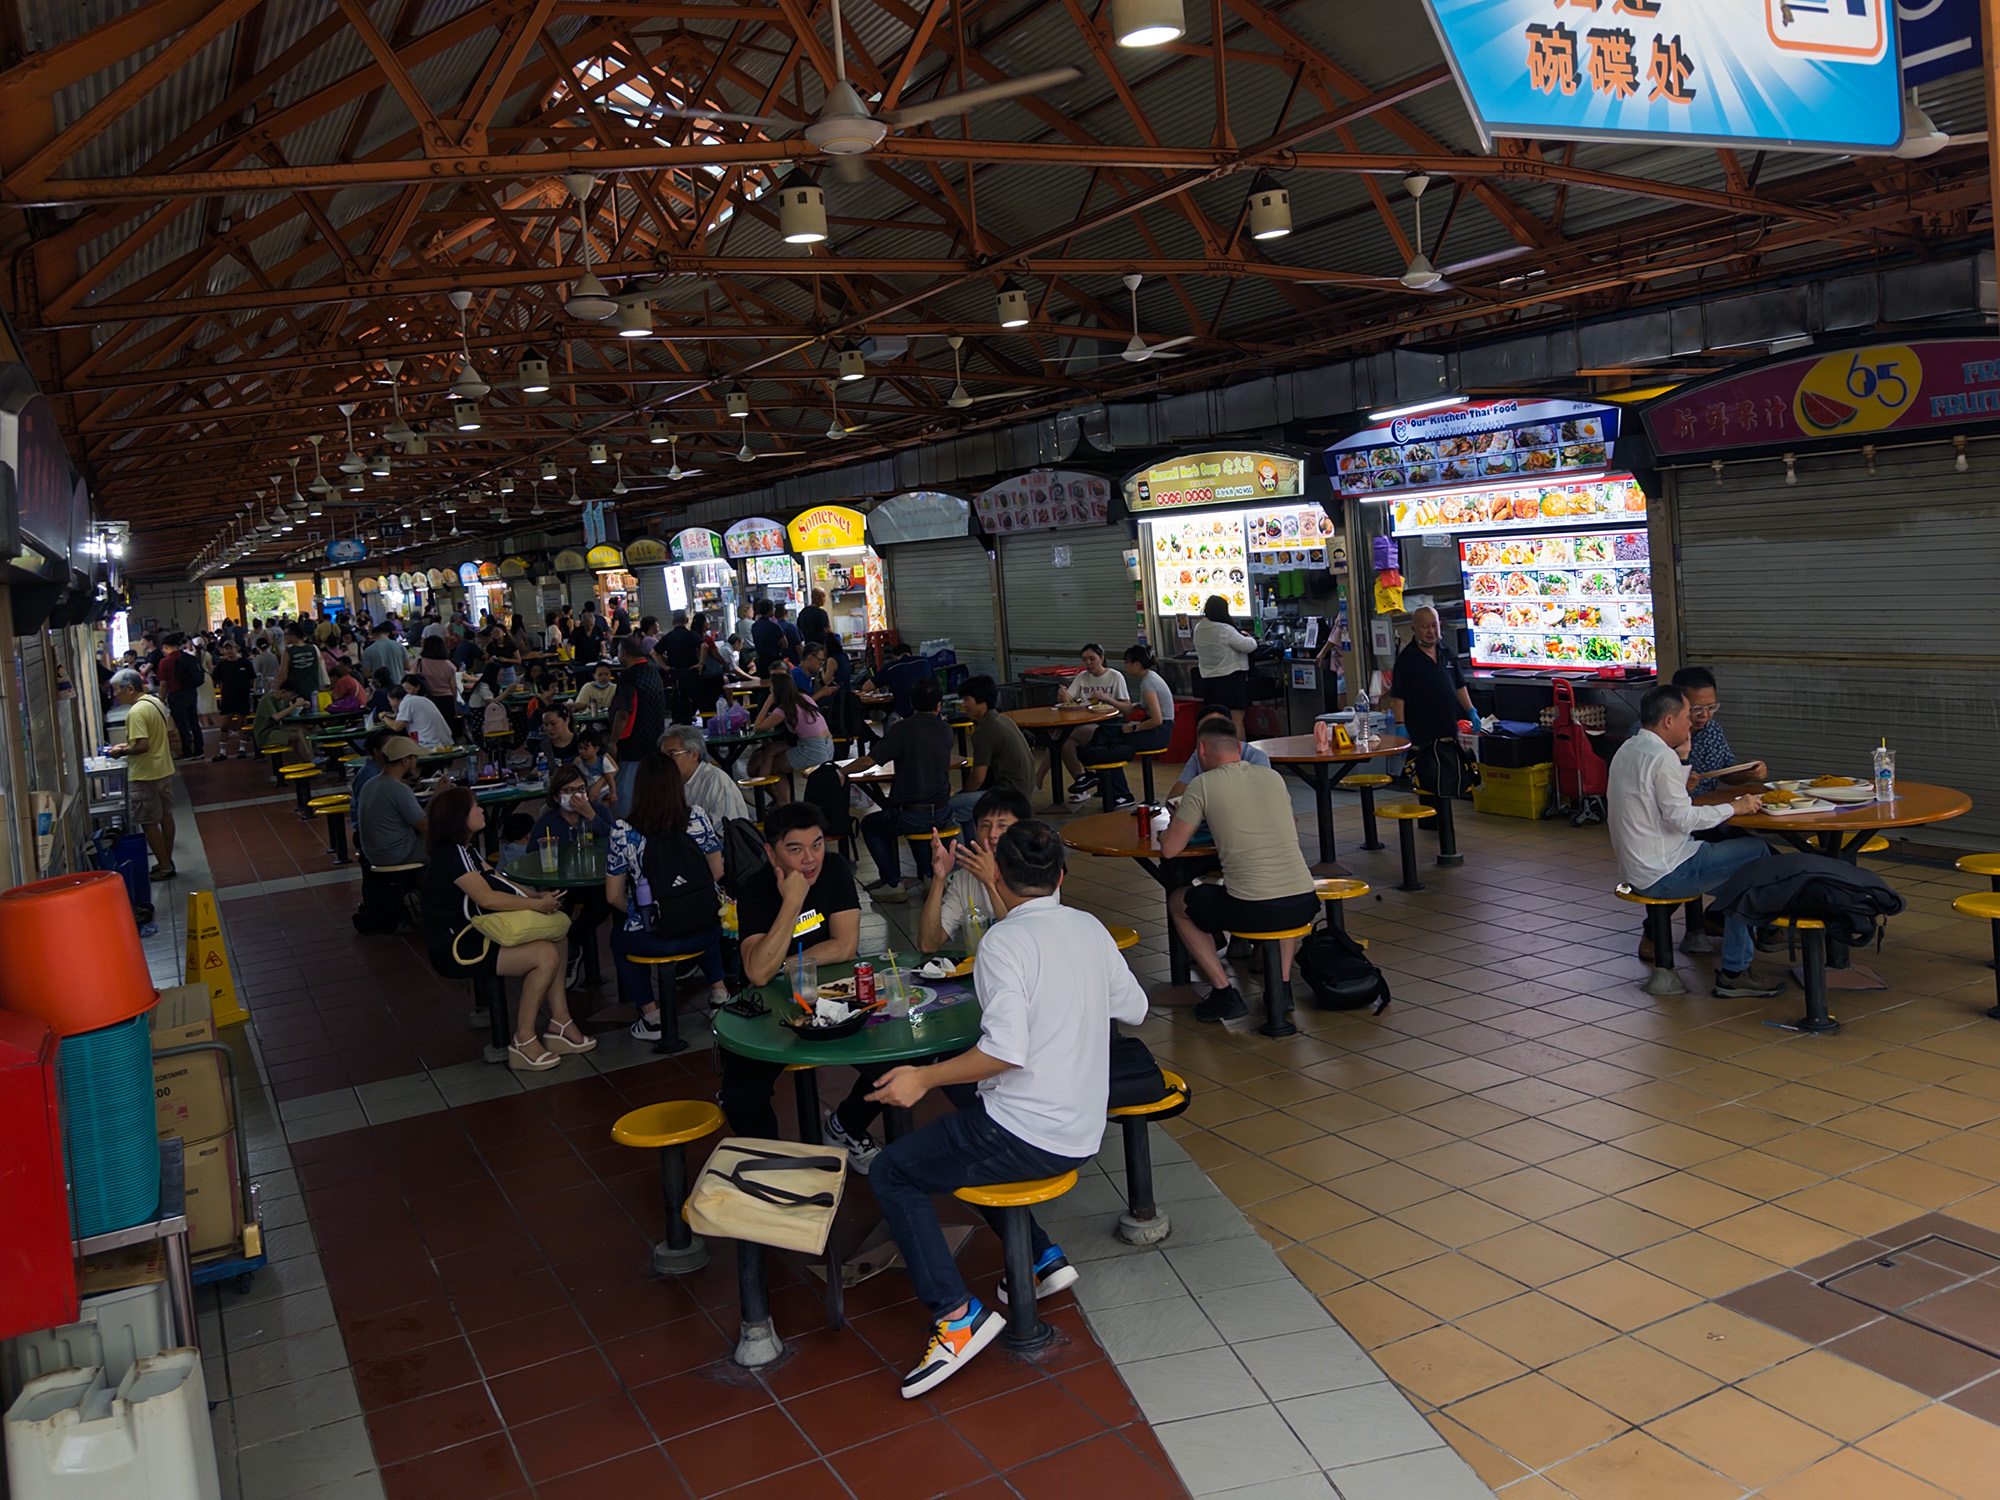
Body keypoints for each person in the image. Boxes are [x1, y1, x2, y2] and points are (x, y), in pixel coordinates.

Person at [867, 819, 1148, 1397]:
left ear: (996, 873)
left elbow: (1004, 1052)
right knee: (962, 1109)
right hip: (1083, 1126)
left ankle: (955, 1316)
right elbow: (1135, 1008)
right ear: (1062, 875)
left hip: (1028, 1134)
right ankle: (1041, 1256)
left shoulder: (1003, 943)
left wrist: (921, 1076)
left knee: (893, 1170)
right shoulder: (1089, 928)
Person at [720, 802, 891, 1170]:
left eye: (816, 845)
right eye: (795, 850)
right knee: (741, 1096)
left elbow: (844, 944)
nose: (810, 859)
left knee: (897, 1065)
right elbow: (758, 976)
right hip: (768, 1010)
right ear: (771, 852)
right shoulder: (755, 889)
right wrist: (792, 902)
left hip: (833, 997)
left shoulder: (835, 871)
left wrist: (786, 962)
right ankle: (776, 1165)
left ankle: (846, 1125)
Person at [1609, 684, 1785, 998]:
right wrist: (1736, 807)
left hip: (1642, 866)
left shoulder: (1630, 749)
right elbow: (1683, 819)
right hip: (1664, 870)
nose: (1691, 723)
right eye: (1686, 717)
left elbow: (1659, 808)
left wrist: (1684, 769)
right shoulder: (1661, 757)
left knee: (1743, 877)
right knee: (1756, 852)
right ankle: (1735, 969)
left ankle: (1736, 963)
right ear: (1668, 721)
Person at [420, 784, 595, 1071]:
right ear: (459, 818)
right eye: (474, 806)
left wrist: (534, 896)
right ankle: (524, 1039)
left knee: (558, 933)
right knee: (545, 956)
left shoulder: (465, 850)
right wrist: (535, 905)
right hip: (457, 945)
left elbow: (500, 880)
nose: (480, 810)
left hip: (479, 931)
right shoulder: (451, 856)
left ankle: (560, 1021)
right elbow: (488, 897)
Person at [1160, 719, 1319, 1023]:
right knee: (1278, 890)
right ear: (1239, 747)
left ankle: (1223, 993)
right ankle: (1281, 988)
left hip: (1252, 909)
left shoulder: (1202, 785)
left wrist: (1172, 825)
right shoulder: (1273, 778)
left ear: (1201, 749)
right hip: (1304, 902)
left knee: (1178, 901)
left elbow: (1170, 849)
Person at [606, 753, 730, 1040]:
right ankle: (719, 993)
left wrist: (644, 912)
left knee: (618, 938)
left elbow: (612, 896)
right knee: (700, 913)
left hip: (656, 937)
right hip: (707, 932)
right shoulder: (696, 816)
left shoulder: (624, 831)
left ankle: (651, 1015)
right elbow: (718, 871)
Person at [847, 676, 955, 901]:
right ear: (938, 705)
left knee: (872, 824)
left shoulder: (902, 729)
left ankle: (893, 882)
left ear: (911, 704)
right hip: (945, 812)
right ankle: (927, 876)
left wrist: (841, 772)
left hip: (913, 814)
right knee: (918, 823)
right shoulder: (946, 730)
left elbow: (870, 761)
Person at [526, 764, 617, 990]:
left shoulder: (599, 812)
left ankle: (573, 943)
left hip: (596, 880)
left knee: (605, 902)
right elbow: (532, 856)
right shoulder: (547, 822)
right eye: (569, 791)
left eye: (581, 789)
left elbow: (618, 841)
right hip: (561, 883)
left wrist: (591, 816)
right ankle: (567, 955)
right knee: (556, 909)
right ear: (557, 796)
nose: (577, 796)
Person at [1383, 606, 1477, 810]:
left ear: (1440, 625)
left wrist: (1471, 710)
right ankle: (1430, 820)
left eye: (1434, 625)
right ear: (1414, 628)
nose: (1431, 631)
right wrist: (1400, 725)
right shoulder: (1407, 659)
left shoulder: (1446, 651)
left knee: (1448, 774)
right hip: (1422, 729)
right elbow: (1398, 697)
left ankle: (1443, 820)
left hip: (1447, 726)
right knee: (1429, 777)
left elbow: (1459, 685)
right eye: (1425, 627)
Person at [918, 787, 1032, 951]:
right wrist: (939, 879)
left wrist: (989, 884)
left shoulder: (1036, 873)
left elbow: (1020, 944)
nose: (992, 834)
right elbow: (928, 944)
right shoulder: (964, 879)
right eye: (985, 825)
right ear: (975, 830)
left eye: (1002, 825)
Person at [1076, 644, 1175, 808]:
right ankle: (1093, 774)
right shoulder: (1150, 678)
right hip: (1159, 730)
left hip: (1158, 732)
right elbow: (1151, 708)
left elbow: (1157, 719)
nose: (1125, 666)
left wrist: (1134, 728)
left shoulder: (1148, 684)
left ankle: (1119, 792)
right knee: (1105, 733)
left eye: (1127, 662)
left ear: (1136, 664)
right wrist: (1140, 706)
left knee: (1110, 742)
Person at [108, 669, 178, 878]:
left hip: (145, 774)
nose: (115, 695)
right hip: (164, 768)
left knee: (148, 822)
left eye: (117, 690)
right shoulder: (154, 702)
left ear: (130, 688)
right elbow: (168, 730)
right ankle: (167, 860)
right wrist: (130, 744)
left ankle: (164, 867)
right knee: (166, 816)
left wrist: (121, 751)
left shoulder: (136, 712)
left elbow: (143, 745)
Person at [945, 676, 1035, 827]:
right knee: (962, 806)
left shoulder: (985, 730)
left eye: (967, 699)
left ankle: (960, 850)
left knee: (948, 810)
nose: (963, 705)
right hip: (1023, 793)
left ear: (981, 700)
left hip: (1008, 797)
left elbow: (978, 778)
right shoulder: (1003, 719)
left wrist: (965, 794)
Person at [1672, 666, 1767, 795]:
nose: (1705, 715)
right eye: (1697, 708)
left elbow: (1726, 773)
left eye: (1711, 707)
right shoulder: (1658, 732)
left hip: (1709, 807)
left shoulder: (1712, 730)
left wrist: (1748, 772)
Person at [1055, 643, 1129, 799]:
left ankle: (1091, 775)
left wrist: (1105, 698)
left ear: (1102, 658)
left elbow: (1126, 708)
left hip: (1111, 724)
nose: (1088, 663)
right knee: (1064, 743)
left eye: (1092, 659)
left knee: (1063, 736)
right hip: (1087, 722)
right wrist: (1062, 694)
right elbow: (1069, 701)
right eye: (1084, 660)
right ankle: (1082, 782)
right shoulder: (1082, 677)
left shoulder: (1115, 676)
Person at [609, 636, 668, 817]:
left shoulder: (628, 676)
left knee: (625, 792)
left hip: (633, 743)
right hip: (655, 739)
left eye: (618, 651)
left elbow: (623, 713)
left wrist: (613, 741)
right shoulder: (654, 671)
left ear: (625, 653)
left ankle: (627, 827)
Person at [746, 670, 835, 786]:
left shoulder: (784, 707)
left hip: (813, 749)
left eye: (771, 687)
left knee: (773, 766)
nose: (770, 690)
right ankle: (782, 801)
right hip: (829, 745)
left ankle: (773, 798)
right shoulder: (805, 698)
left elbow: (757, 727)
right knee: (773, 754)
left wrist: (769, 701)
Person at [357, 735, 427, 873]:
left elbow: (420, 821)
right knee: (451, 843)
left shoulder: (370, 784)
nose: (416, 764)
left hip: (374, 855)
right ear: (405, 761)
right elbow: (425, 826)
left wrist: (437, 794)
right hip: (398, 854)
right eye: (415, 759)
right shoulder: (398, 788)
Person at [1192, 595, 1258, 739]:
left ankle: (1216, 754)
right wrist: (1249, 637)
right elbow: (1249, 646)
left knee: (1215, 721)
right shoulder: (1224, 629)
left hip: (1210, 681)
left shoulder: (1199, 627)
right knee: (1236, 719)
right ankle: (1239, 756)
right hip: (1231, 680)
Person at [660, 723, 751, 826]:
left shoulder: (716, 782)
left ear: (694, 755)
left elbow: (724, 832)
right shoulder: (666, 783)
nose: (665, 762)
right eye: (663, 757)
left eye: (672, 754)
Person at [1166, 710, 1270, 798]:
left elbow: (1261, 795)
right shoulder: (1197, 756)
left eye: (1220, 727)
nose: (1214, 733)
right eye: (1207, 729)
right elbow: (1175, 794)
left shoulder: (1257, 758)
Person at [159, 633, 204, 759]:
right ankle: (199, 749)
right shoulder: (188, 658)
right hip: (191, 692)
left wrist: (162, 699)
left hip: (176, 695)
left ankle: (187, 751)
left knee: (182, 724)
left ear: (166, 647)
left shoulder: (165, 662)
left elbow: (163, 684)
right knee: (194, 721)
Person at [210, 638, 257, 760]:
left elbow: (252, 679)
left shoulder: (245, 664)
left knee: (243, 724)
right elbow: (216, 679)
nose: (229, 651)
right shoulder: (221, 666)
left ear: (236, 648)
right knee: (224, 725)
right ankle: (223, 752)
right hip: (228, 699)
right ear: (223, 651)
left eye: (231, 647)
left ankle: (242, 749)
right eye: (226, 648)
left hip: (242, 698)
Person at [386, 676, 454, 749]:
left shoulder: (407, 702)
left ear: (395, 699)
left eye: (390, 701)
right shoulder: (422, 699)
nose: (391, 705)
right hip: (446, 743)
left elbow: (396, 727)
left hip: (430, 746)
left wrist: (384, 717)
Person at [658, 611, 701, 721]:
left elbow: (654, 652)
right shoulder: (691, 635)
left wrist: (664, 666)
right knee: (694, 697)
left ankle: (679, 720)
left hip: (675, 672)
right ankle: (691, 716)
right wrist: (701, 663)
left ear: (672, 621)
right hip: (691, 672)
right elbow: (704, 646)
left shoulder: (669, 637)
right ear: (687, 620)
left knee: (678, 699)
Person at [250, 684, 311, 760]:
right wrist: (295, 705)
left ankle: (307, 759)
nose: (291, 698)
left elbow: (288, 711)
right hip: (265, 734)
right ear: (283, 692)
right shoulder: (267, 699)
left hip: (276, 729)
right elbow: (277, 716)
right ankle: (310, 758)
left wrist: (303, 705)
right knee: (299, 736)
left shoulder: (282, 701)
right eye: (291, 695)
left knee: (302, 728)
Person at [279, 620, 323, 702]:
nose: (284, 638)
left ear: (293, 635)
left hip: (294, 693)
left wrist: (279, 691)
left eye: (286, 634)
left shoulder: (288, 652)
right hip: (313, 690)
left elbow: (282, 674)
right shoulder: (313, 648)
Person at [749, 597, 786, 673]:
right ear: (770, 611)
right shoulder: (774, 626)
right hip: (775, 660)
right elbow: (785, 644)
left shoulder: (754, 626)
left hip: (761, 660)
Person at [571, 601, 607, 667]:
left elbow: (602, 643)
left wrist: (603, 653)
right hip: (581, 661)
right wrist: (571, 658)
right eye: (587, 625)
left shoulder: (597, 629)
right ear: (583, 623)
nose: (590, 627)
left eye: (591, 625)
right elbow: (569, 645)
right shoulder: (577, 631)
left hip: (595, 660)